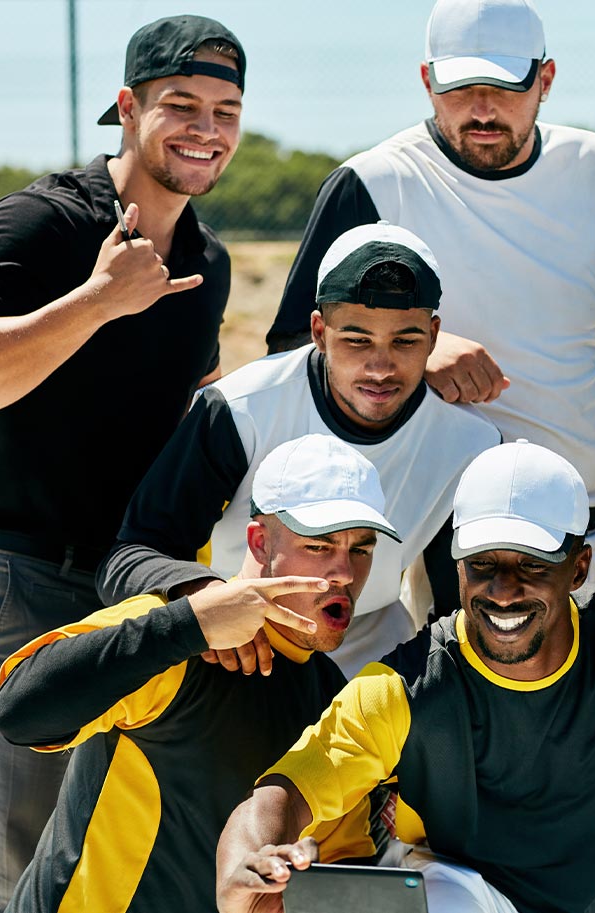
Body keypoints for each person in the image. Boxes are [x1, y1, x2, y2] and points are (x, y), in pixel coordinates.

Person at [214, 440, 595, 913]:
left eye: (531, 564)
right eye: (483, 566)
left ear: (578, 567)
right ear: (458, 567)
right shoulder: (406, 685)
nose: (503, 591)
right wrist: (247, 858)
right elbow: (286, 791)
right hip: (458, 894)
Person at [0, 15, 246, 911]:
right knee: (14, 864)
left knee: (108, 847)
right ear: (127, 107)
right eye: (180, 104)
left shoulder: (207, 261)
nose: (205, 129)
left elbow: (190, 407)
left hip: (128, 590)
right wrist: (98, 302)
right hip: (14, 582)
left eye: (224, 110)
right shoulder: (42, 222)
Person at [264, 0, 595, 585]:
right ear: (426, 81)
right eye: (460, 86)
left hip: (587, 536)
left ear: (546, 79)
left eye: (505, 85)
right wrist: (408, 353)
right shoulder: (371, 183)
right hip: (437, 545)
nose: (483, 108)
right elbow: (289, 357)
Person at [0, 435, 399, 912]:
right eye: (318, 546)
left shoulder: (336, 698)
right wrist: (190, 625)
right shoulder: (171, 630)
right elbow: (20, 712)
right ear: (259, 541)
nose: (345, 574)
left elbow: (342, 867)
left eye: (361, 550)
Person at [97, 223, 500, 677]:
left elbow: (457, 604)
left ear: (434, 334)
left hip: (372, 671)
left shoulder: (471, 445)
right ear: (318, 331)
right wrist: (205, 597)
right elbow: (131, 554)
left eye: (405, 340)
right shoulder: (240, 408)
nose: (381, 366)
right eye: (357, 339)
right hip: (238, 654)